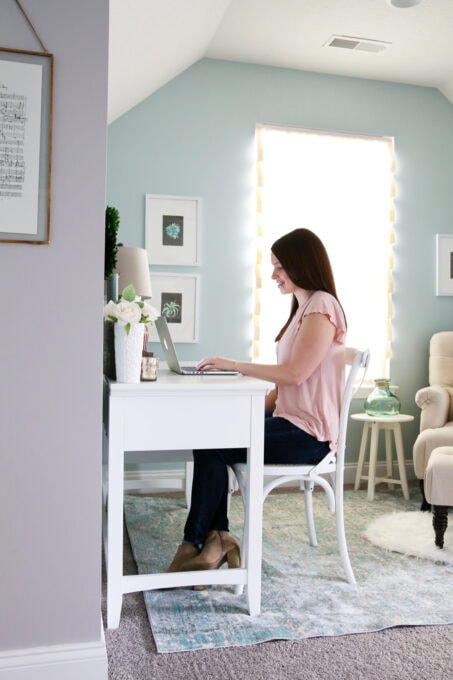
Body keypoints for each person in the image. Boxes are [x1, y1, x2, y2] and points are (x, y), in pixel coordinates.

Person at [166, 228, 347, 575]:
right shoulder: (303, 308)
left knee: (215, 444)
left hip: (309, 437)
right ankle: (214, 539)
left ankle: (197, 543)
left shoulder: (322, 305)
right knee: (212, 436)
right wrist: (233, 413)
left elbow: (294, 373)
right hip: (290, 423)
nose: (273, 275)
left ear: (301, 264)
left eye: (280, 266)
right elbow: (284, 392)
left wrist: (234, 365)